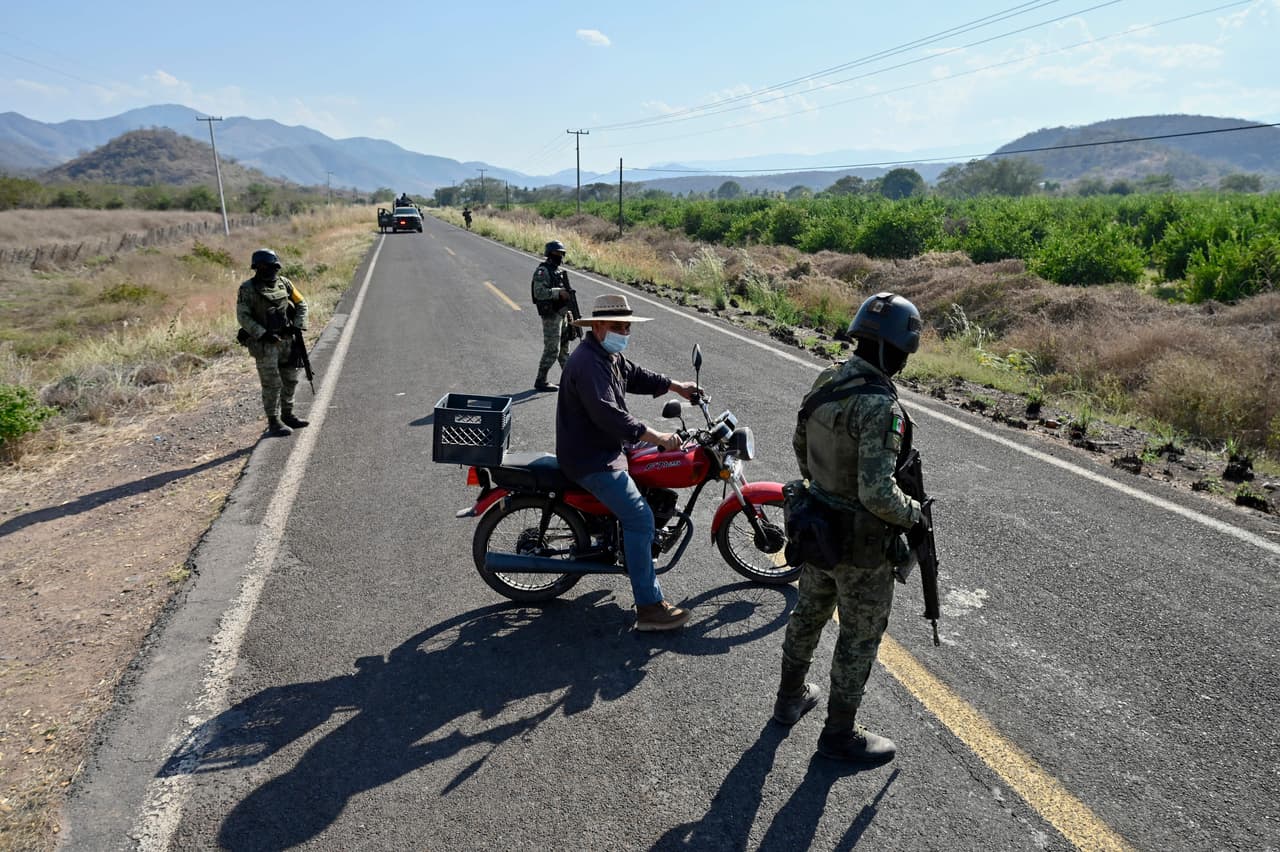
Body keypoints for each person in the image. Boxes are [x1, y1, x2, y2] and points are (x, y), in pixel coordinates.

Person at [772, 291, 926, 765]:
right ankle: (838, 734)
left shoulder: (828, 377)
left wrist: (823, 490)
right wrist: (914, 514)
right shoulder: (881, 407)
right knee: (858, 638)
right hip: (861, 548)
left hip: (817, 528)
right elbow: (877, 493)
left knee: (808, 614)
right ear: (893, 350)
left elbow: (800, 442)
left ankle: (789, 699)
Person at [555, 293, 701, 631]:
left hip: (604, 447)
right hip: (593, 457)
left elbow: (634, 375)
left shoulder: (606, 355)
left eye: (627, 327)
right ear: (599, 327)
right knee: (639, 518)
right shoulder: (588, 363)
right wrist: (657, 436)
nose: (625, 333)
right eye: (619, 327)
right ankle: (649, 607)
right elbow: (610, 415)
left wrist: (676, 387)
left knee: (658, 468)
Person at [237, 249, 310, 437]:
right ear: (257, 267)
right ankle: (274, 421)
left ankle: (288, 415)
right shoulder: (247, 288)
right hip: (265, 345)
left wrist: (298, 325)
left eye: (273, 267)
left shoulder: (284, 283)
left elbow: (301, 304)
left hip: (287, 341)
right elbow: (243, 317)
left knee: (290, 379)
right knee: (272, 384)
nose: (271, 270)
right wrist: (263, 334)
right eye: (266, 267)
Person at [530, 239, 576, 391]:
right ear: (549, 254)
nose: (560, 256)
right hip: (551, 315)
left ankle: (570, 380)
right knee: (552, 349)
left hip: (562, 313)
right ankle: (541, 380)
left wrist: (569, 312)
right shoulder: (543, 271)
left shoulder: (559, 272)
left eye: (562, 254)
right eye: (557, 253)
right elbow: (539, 292)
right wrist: (558, 292)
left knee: (564, 349)